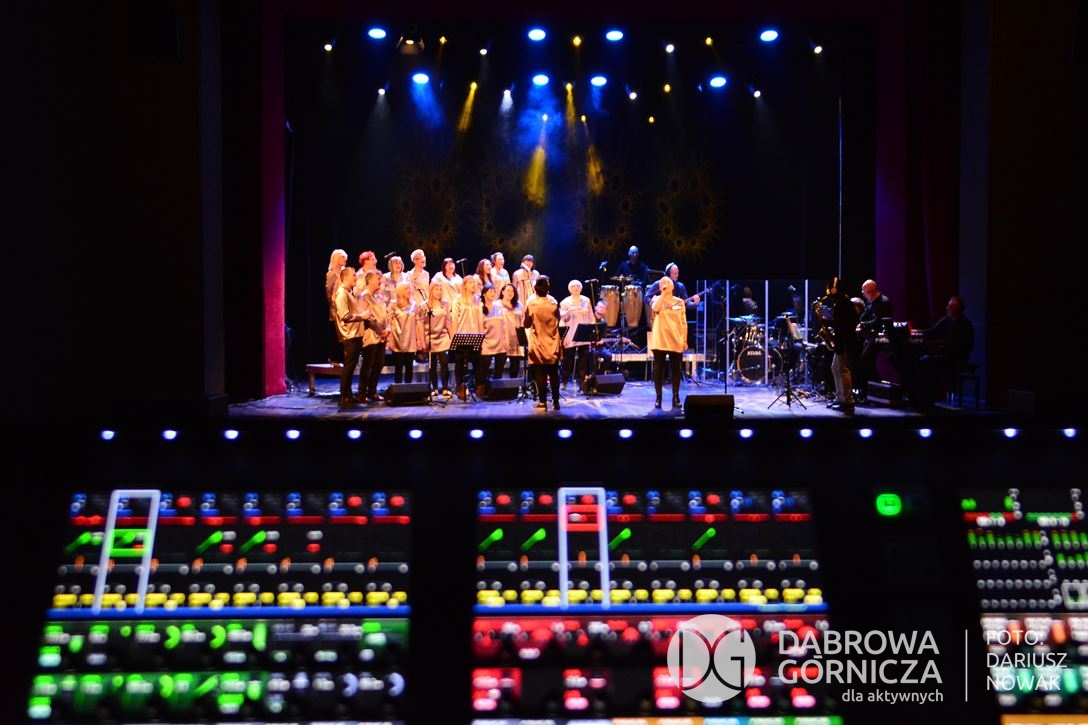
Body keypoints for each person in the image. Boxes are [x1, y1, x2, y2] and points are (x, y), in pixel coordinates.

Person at [915, 295, 975, 409]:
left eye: (951, 306)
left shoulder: (966, 325)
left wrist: (946, 346)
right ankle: (924, 398)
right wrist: (915, 332)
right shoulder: (946, 320)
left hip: (956, 358)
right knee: (922, 361)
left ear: (958, 309)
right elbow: (931, 331)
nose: (947, 308)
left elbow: (967, 346)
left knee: (926, 363)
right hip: (944, 356)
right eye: (948, 305)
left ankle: (927, 399)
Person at [524, 276, 562, 411]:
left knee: (540, 373)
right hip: (552, 341)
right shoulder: (554, 302)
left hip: (538, 342)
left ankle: (542, 402)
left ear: (535, 289)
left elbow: (526, 324)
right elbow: (558, 318)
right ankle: (556, 402)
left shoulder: (532, 305)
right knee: (554, 373)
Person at [649, 276, 687, 409]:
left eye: (668, 282)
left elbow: (684, 322)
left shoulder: (680, 302)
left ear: (673, 286)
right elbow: (655, 309)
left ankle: (676, 396)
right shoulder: (656, 299)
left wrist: (684, 339)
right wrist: (663, 294)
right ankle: (658, 397)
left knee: (676, 369)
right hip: (660, 339)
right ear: (660, 287)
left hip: (676, 339)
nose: (665, 283)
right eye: (663, 283)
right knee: (659, 369)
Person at [823, 279, 859, 414]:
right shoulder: (841, 302)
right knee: (835, 368)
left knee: (843, 370)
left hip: (845, 341)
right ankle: (840, 398)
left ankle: (847, 401)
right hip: (841, 340)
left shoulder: (844, 303)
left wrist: (829, 323)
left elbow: (845, 323)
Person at [854, 279, 894, 401]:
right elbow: (863, 317)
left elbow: (878, 321)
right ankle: (872, 389)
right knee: (864, 360)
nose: (864, 295)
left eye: (864, 293)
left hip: (881, 337)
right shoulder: (870, 302)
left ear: (870, 292)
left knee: (865, 359)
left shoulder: (884, 302)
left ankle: (867, 392)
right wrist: (858, 323)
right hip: (871, 336)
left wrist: (863, 325)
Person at [332, 266, 365, 410]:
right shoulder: (341, 293)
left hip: (355, 334)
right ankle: (343, 397)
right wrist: (361, 316)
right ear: (345, 277)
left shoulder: (348, 293)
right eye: (353, 275)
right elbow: (344, 315)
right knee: (348, 366)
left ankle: (349, 396)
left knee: (352, 367)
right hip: (349, 335)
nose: (355, 277)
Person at [356, 270, 389, 404]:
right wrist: (381, 331)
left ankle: (372, 391)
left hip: (381, 336)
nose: (380, 281)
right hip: (370, 335)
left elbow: (385, 315)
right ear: (369, 280)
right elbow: (367, 318)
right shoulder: (364, 297)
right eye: (377, 278)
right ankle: (362, 393)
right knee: (368, 364)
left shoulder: (379, 297)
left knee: (379, 363)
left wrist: (387, 328)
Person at [560, 279, 599, 390]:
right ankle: (564, 381)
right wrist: (563, 336)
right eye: (573, 286)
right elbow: (561, 318)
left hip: (584, 333)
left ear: (581, 288)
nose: (576, 288)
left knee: (583, 360)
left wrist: (593, 331)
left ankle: (581, 382)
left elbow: (591, 316)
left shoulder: (586, 300)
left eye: (578, 286)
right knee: (568, 360)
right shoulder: (565, 302)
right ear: (569, 289)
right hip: (570, 333)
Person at [451, 275, 485, 397]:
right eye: (470, 282)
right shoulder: (458, 299)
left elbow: (480, 319)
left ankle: (479, 387)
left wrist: (481, 336)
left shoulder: (478, 299)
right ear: (464, 285)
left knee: (477, 362)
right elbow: (454, 319)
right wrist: (453, 336)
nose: (473, 285)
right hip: (461, 335)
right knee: (460, 363)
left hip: (475, 335)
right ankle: (460, 388)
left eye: (474, 282)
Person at [387, 282, 422, 384]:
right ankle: (398, 389)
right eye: (406, 289)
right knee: (398, 367)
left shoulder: (414, 305)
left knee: (409, 366)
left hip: (410, 340)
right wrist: (390, 340)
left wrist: (418, 340)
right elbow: (389, 322)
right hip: (398, 340)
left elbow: (417, 323)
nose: (409, 291)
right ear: (400, 291)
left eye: (410, 289)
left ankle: (408, 389)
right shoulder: (393, 305)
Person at [424, 281, 453, 397]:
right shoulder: (425, 305)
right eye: (436, 289)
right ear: (431, 291)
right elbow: (420, 323)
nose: (439, 292)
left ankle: (445, 388)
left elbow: (448, 322)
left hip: (443, 336)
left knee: (444, 363)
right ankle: (434, 388)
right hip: (430, 337)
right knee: (433, 365)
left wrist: (452, 337)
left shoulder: (445, 303)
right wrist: (421, 340)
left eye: (440, 289)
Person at [479, 283, 508, 382]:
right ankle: (483, 388)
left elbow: (504, 325)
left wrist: (506, 339)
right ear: (484, 294)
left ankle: (497, 389)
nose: (493, 293)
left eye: (494, 292)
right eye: (490, 291)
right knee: (483, 371)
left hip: (500, 343)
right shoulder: (480, 308)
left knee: (499, 371)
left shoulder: (499, 307)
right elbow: (479, 328)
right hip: (486, 344)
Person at [325, 248, 349, 365]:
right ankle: (334, 358)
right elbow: (329, 293)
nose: (345, 259)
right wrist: (335, 306)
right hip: (336, 309)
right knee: (335, 334)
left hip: (346, 308)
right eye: (342, 257)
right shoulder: (331, 274)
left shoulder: (345, 273)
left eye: (345, 257)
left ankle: (344, 358)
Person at [498, 283, 525, 380]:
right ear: (502, 292)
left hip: (516, 338)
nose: (510, 292)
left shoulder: (519, 304)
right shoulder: (497, 304)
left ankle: (514, 386)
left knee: (515, 365)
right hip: (503, 337)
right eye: (508, 290)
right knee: (500, 364)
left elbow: (523, 319)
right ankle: (498, 385)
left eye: (512, 291)